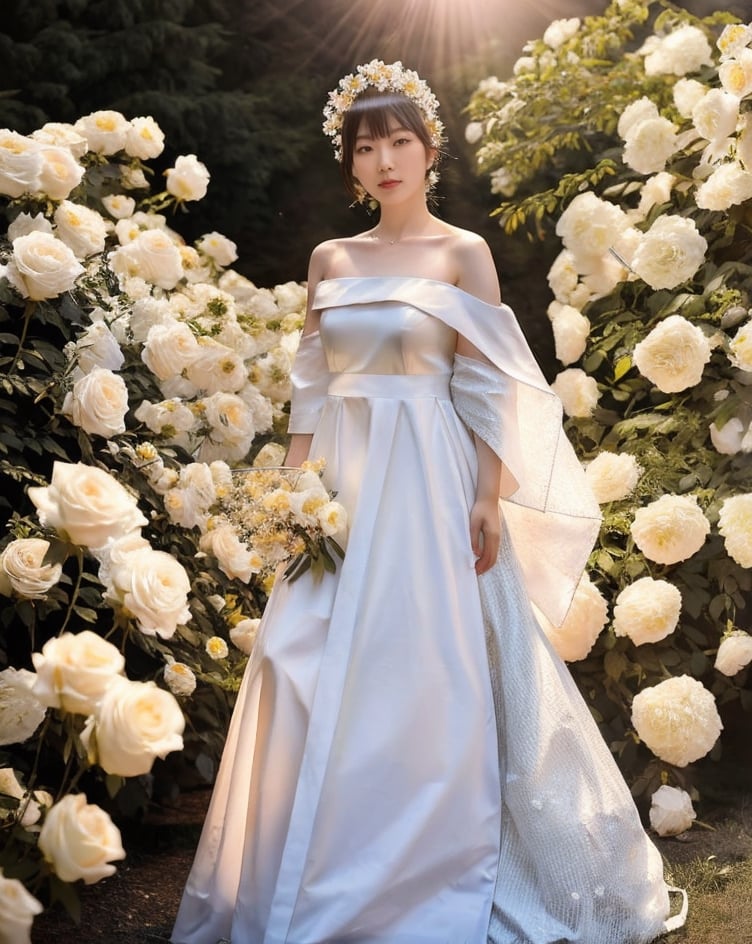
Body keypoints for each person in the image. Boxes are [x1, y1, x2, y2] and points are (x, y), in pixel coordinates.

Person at [172, 60, 686, 944]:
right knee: (306, 659)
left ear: (428, 149)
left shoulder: (463, 253)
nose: (384, 159)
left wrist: (489, 494)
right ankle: (313, 864)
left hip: (429, 481)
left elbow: (487, 387)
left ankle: (434, 858)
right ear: (352, 165)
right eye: (366, 146)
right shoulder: (331, 259)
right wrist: (293, 491)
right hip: (341, 488)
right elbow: (310, 387)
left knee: (427, 662)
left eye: (399, 140)